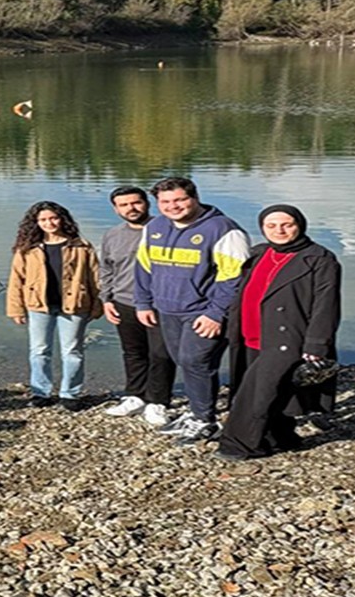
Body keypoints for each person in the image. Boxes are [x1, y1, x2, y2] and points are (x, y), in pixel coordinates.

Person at [216, 205, 341, 460]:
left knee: (255, 395)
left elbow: (326, 305)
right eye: (271, 226)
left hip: (287, 337)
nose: (279, 230)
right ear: (262, 228)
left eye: (287, 224)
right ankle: (280, 438)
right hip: (249, 334)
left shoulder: (319, 258)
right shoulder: (259, 253)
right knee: (277, 389)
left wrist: (317, 344)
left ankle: (237, 445)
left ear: (300, 225)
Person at [134, 177, 250, 445]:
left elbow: (234, 278)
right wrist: (143, 302)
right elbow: (143, 267)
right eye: (165, 202)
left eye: (180, 200)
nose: (173, 206)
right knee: (183, 360)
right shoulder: (154, 226)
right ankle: (197, 409)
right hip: (167, 309)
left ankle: (205, 420)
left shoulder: (223, 229)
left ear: (194, 198)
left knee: (196, 361)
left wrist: (216, 313)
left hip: (203, 312)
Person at [6, 201, 103, 411]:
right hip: (38, 306)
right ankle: (41, 392)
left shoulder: (81, 246)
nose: (49, 223)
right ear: (35, 223)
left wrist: (97, 305)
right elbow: (16, 279)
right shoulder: (27, 248)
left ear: (62, 219)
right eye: (43, 219)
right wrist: (15, 308)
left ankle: (70, 394)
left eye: (53, 218)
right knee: (39, 351)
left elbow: (95, 277)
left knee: (73, 352)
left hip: (76, 305)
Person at [99, 186, 177, 424]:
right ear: (115, 208)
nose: (131, 208)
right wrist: (106, 299)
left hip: (160, 304)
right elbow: (106, 268)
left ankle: (158, 401)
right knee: (133, 352)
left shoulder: (167, 229)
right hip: (124, 301)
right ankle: (135, 395)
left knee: (161, 354)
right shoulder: (112, 234)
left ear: (147, 203)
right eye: (123, 205)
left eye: (136, 203)